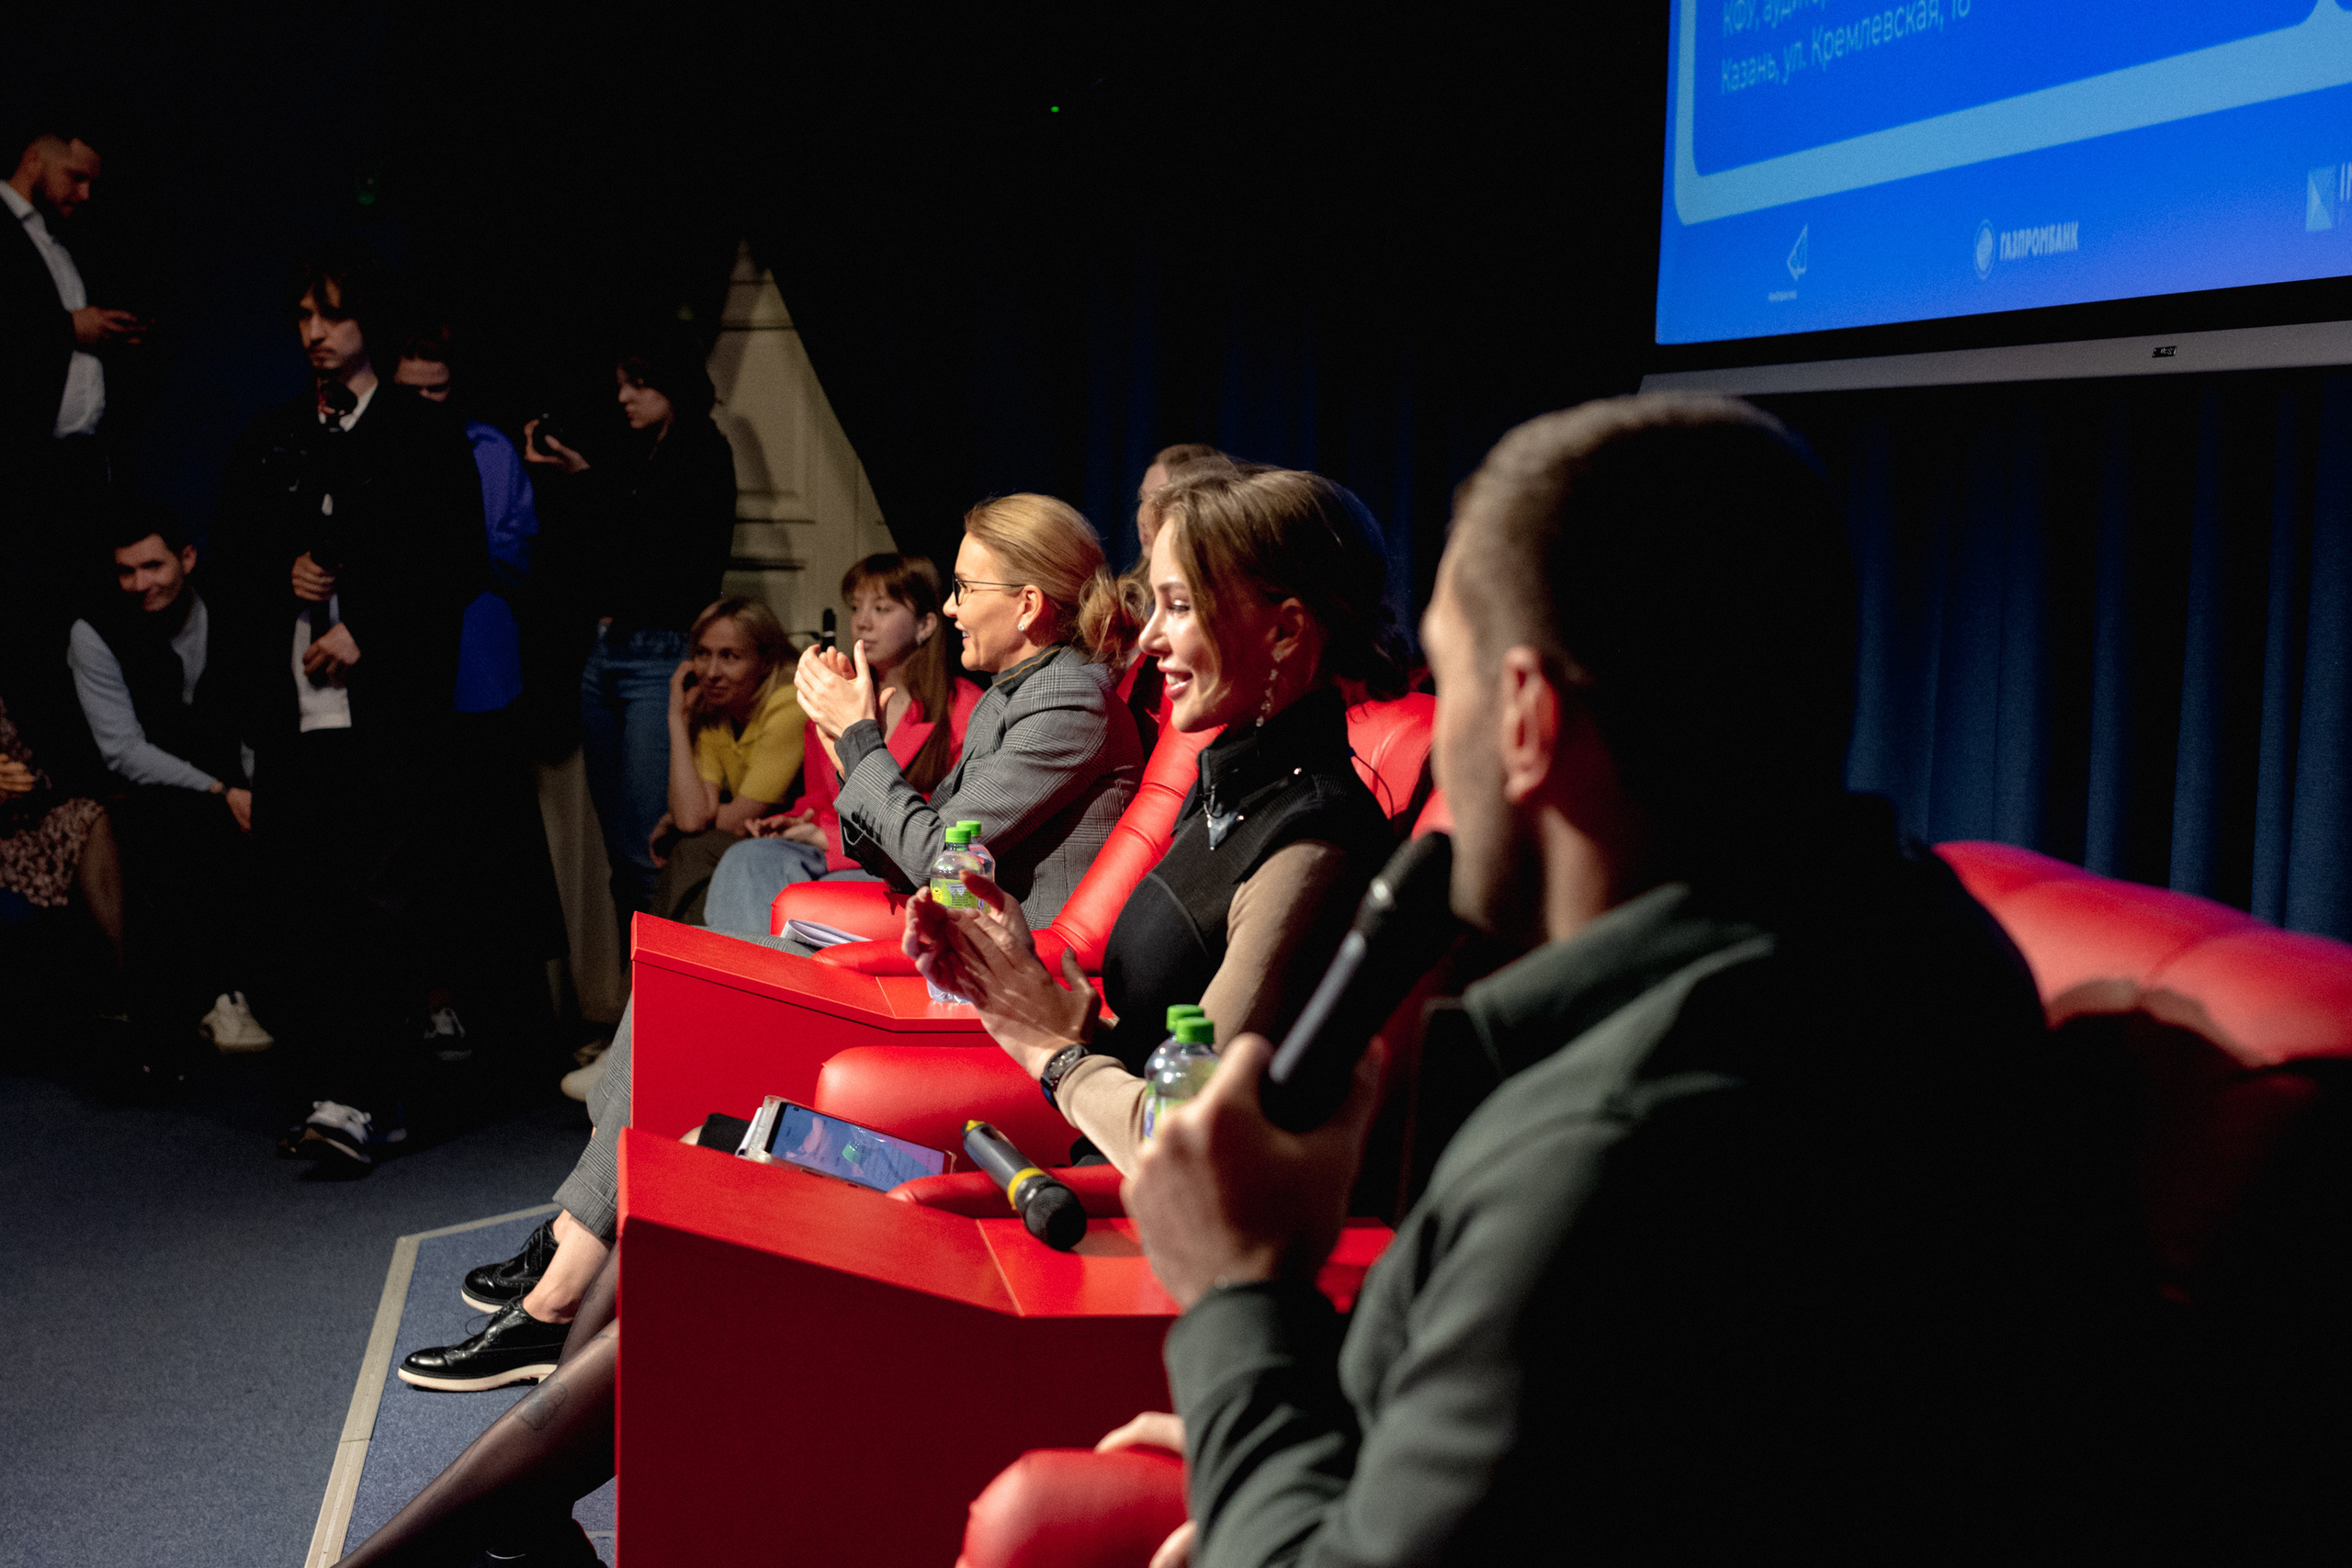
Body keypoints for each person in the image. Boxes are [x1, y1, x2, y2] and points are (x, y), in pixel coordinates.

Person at [1116, 395, 2150, 1563]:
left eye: (1449, 686)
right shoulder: (1921, 946)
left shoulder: (1616, 1146)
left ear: (1524, 718)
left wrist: (1241, 1302)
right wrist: (1295, 1434)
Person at [391, 494, 1143, 1401]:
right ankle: (566, 1258)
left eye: (963, 587)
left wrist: (854, 736)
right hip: (951, 952)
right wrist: (854, 743)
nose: (947, 608)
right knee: (677, 982)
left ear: (1026, 605)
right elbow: (929, 846)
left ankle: (557, 1292)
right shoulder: (1024, 694)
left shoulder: (1065, 700)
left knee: (697, 1001)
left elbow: (942, 860)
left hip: (994, 993)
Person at [913, 467, 1406, 1171]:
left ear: (1286, 630)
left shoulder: (1313, 841)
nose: (1147, 639)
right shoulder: (1231, 788)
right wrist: (1021, 980)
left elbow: (1186, 1137)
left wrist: (1055, 1055)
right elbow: (1155, 1049)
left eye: (1180, 607)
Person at [208, 241, 486, 1170]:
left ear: (367, 321)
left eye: (330, 315)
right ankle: (327, 1089)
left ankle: (367, 1096)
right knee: (302, 910)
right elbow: (234, 554)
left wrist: (368, 628)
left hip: (385, 718)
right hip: (292, 717)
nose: (314, 334)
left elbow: (458, 563)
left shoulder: (420, 434)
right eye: (302, 318)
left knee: (382, 911)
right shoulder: (276, 434)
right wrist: (279, 573)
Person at [527, 329, 737, 937]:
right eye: (620, 384)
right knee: (622, 849)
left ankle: (647, 1016)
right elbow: (595, 556)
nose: (624, 397)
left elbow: (663, 562)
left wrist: (593, 484)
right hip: (606, 652)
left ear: (670, 383)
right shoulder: (634, 454)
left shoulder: (701, 452)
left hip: (658, 652)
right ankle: (631, 1005)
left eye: (636, 383)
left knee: (648, 845)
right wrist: (578, 478)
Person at [393, 326, 564, 1054]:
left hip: (479, 674)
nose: (427, 404)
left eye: (438, 390)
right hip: (396, 679)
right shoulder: (366, 447)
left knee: (494, 851)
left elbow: (505, 556)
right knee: (410, 854)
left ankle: (508, 1019)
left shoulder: (488, 450)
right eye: (412, 391)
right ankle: (423, 1006)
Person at [66, 498, 269, 1057]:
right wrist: (222, 793)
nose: (139, 583)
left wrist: (255, 793)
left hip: (232, 774)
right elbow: (123, 750)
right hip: (143, 785)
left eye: (153, 566)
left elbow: (255, 720)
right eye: (126, 571)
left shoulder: (230, 611)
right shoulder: (95, 631)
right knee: (188, 828)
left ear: (187, 559)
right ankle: (218, 997)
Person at [702, 552, 981, 939]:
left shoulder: (963, 707)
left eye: (881, 608)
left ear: (925, 624)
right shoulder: (841, 696)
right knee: (748, 858)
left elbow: (948, 829)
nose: (862, 622)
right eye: (856, 607)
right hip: (836, 850)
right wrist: (798, 820)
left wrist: (826, 837)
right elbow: (821, 795)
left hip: (902, 865)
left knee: (815, 885)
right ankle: (739, 984)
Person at [1, 118, 146, 818]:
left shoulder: (53, 243)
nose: (85, 194)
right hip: (24, 474)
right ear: (36, 157)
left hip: (76, 470)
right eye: (75, 176)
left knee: (89, 616)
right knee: (32, 623)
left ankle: (105, 769)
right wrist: (71, 328)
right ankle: (61, 779)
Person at [647, 595, 806, 926]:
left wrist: (675, 820)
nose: (712, 673)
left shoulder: (789, 705)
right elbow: (693, 817)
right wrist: (677, 717)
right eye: (703, 654)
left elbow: (734, 818)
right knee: (693, 865)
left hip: (803, 843)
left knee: (692, 851)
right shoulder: (716, 712)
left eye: (730, 657)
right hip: (751, 846)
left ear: (766, 661)